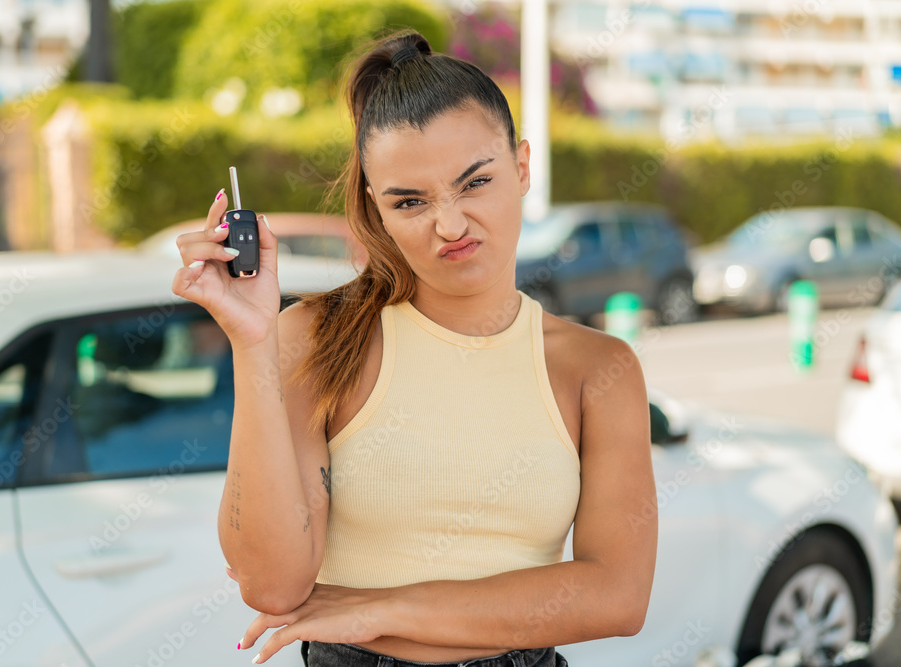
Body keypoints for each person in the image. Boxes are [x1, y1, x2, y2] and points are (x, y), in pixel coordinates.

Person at [171, 28, 657, 667]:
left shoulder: (601, 369)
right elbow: (272, 585)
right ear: (376, 205)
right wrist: (253, 345)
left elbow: (617, 597)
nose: (449, 225)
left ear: (521, 167)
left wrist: (383, 610)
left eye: (475, 183)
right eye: (410, 201)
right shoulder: (317, 340)